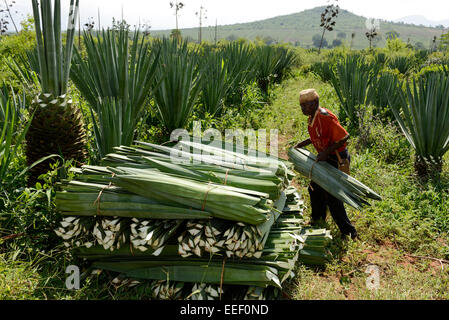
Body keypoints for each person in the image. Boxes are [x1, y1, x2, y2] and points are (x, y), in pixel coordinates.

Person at [295, 89, 358, 240]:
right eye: (301, 106)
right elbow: (318, 135)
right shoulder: (312, 117)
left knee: (333, 197)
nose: (303, 109)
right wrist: (304, 143)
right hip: (325, 158)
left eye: (306, 106)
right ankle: (318, 218)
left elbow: (344, 137)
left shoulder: (325, 117)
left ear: (315, 103)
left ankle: (349, 232)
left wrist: (325, 153)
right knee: (314, 188)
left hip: (334, 158)